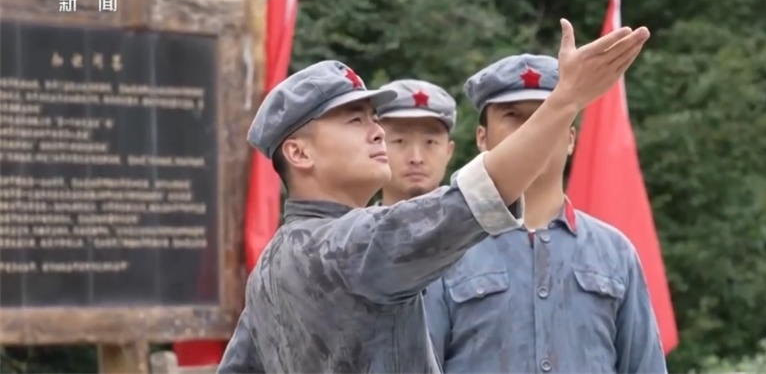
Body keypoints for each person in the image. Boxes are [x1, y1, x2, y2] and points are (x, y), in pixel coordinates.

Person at [217, 19, 651, 373]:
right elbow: (475, 199)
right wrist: (564, 101)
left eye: (373, 117)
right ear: (299, 153)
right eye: (354, 120)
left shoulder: (270, 268)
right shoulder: (353, 245)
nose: (377, 131)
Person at [423, 53, 668, 373]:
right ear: (482, 137)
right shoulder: (447, 251)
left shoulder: (615, 254)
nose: (532, 131)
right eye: (513, 116)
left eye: (546, 115)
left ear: (570, 139)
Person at [375, 79, 457, 206]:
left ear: (449, 151)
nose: (416, 159)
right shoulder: (350, 219)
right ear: (375, 146)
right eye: (399, 141)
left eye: (430, 142)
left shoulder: (481, 218)